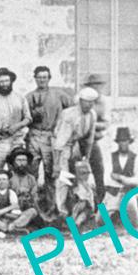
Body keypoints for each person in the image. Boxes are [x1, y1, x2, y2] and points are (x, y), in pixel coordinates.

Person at [52, 87, 99, 217]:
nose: (89, 105)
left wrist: (86, 158)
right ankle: (61, 210)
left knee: (83, 175)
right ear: (80, 101)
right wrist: (56, 164)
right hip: (63, 147)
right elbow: (59, 143)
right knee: (64, 178)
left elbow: (90, 138)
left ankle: (87, 206)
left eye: (92, 102)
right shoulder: (69, 115)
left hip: (76, 146)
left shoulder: (92, 115)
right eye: (86, 102)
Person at [25, 66, 72, 184]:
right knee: (32, 170)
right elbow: (23, 117)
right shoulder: (29, 97)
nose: (42, 80)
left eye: (44, 77)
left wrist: (63, 128)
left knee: (51, 171)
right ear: (35, 79)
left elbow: (72, 110)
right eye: (39, 77)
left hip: (51, 136)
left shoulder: (59, 94)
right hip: (33, 136)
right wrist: (33, 115)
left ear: (49, 78)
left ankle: (50, 201)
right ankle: (33, 199)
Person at [0, 67, 31, 177]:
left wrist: (17, 126)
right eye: (1, 82)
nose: (4, 84)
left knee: (18, 172)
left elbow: (28, 118)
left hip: (17, 141)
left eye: (6, 81)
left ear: (11, 81)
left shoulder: (20, 98)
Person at [80, 73, 111, 197]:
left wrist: (91, 126)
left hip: (93, 141)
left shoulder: (103, 102)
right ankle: (79, 201)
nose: (95, 88)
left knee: (98, 170)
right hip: (79, 141)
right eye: (92, 85)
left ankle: (100, 202)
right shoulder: (79, 100)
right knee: (78, 171)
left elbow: (105, 124)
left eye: (98, 85)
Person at [108, 126, 138, 229]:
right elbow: (108, 177)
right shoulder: (111, 157)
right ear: (117, 142)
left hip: (130, 191)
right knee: (100, 220)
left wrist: (122, 179)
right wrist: (118, 183)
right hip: (115, 191)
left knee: (133, 223)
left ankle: (130, 210)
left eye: (125, 141)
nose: (123, 143)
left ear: (129, 142)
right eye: (121, 141)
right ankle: (117, 213)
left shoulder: (135, 158)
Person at [0, 168, 39, 236]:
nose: (2, 182)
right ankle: (11, 228)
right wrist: (10, 208)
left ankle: (12, 226)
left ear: (8, 181)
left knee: (32, 211)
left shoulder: (12, 193)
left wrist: (3, 213)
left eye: (4, 179)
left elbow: (15, 213)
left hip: (9, 218)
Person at [6, 146, 44, 220]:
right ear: (13, 162)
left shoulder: (31, 178)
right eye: (19, 160)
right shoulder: (7, 178)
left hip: (27, 208)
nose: (21, 163)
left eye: (24, 160)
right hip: (11, 208)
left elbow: (34, 196)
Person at [60, 156, 99, 225]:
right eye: (83, 173)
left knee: (84, 209)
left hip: (87, 208)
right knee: (80, 207)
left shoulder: (89, 183)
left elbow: (92, 200)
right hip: (78, 207)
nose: (86, 175)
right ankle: (74, 222)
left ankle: (75, 223)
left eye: (86, 173)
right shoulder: (74, 185)